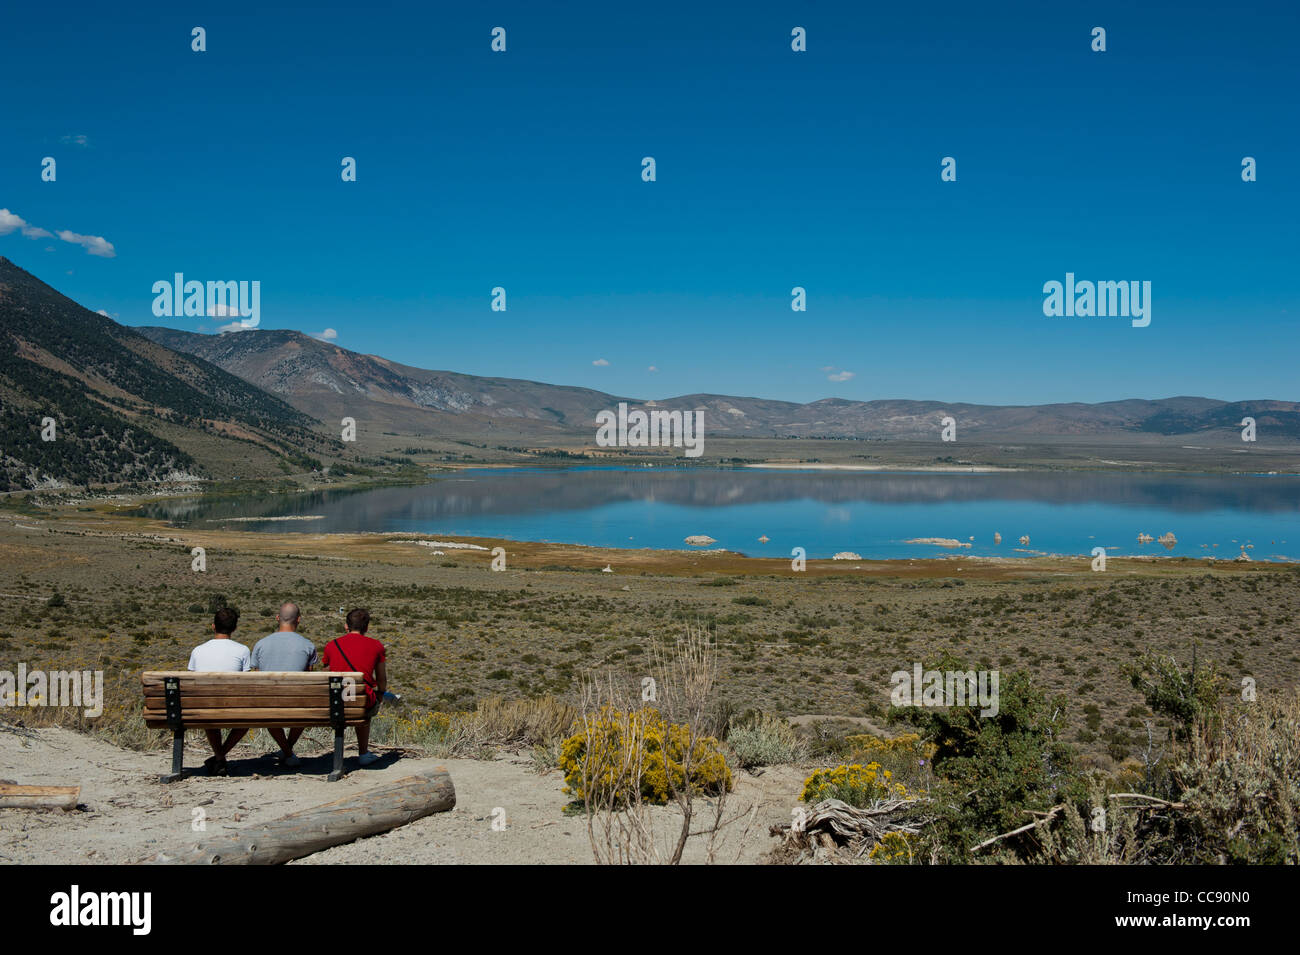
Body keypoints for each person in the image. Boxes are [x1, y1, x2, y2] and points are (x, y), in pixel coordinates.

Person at [250, 601, 318, 767]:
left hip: (268, 704)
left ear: (277, 618)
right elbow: (308, 678)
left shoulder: (261, 644)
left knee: (268, 712)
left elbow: (257, 678)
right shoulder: (308, 645)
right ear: (299, 620)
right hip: (297, 704)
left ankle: (286, 751)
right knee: (305, 705)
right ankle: (288, 751)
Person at [187, 607, 250, 776]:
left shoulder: (197, 651)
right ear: (235, 628)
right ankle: (220, 756)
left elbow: (192, 682)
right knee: (247, 721)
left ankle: (219, 758)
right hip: (232, 708)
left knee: (209, 712)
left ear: (213, 626)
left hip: (202, 710)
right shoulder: (242, 650)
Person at [321, 608, 387, 767]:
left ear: (346, 626)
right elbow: (382, 679)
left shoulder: (332, 645)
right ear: (367, 627)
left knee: (347, 698)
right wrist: (381, 694)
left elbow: (325, 671)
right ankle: (363, 752)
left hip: (335, 702)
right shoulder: (376, 646)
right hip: (361, 702)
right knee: (366, 698)